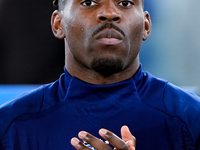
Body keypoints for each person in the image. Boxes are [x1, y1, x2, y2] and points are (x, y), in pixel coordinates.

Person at [0, 0, 200, 149]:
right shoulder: (8, 126)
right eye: (89, 2)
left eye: (125, 2)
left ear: (146, 25)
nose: (110, 13)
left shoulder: (192, 119)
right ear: (58, 24)